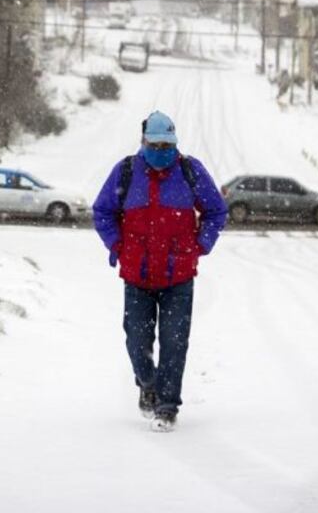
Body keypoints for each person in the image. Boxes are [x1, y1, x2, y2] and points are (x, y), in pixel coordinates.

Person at [92, 111, 228, 432]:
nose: (161, 151)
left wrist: (200, 245)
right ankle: (147, 383)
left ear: (175, 143)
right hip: (136, 277)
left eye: (167, 145)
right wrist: (119, 246)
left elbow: (216, 211)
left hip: (178, 277)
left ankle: (167, 407)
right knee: (137, 341)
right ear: (143, 142)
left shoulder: (190, 171)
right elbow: (103, 212)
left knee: (174, 343)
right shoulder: (126, 172)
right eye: (155, 145)